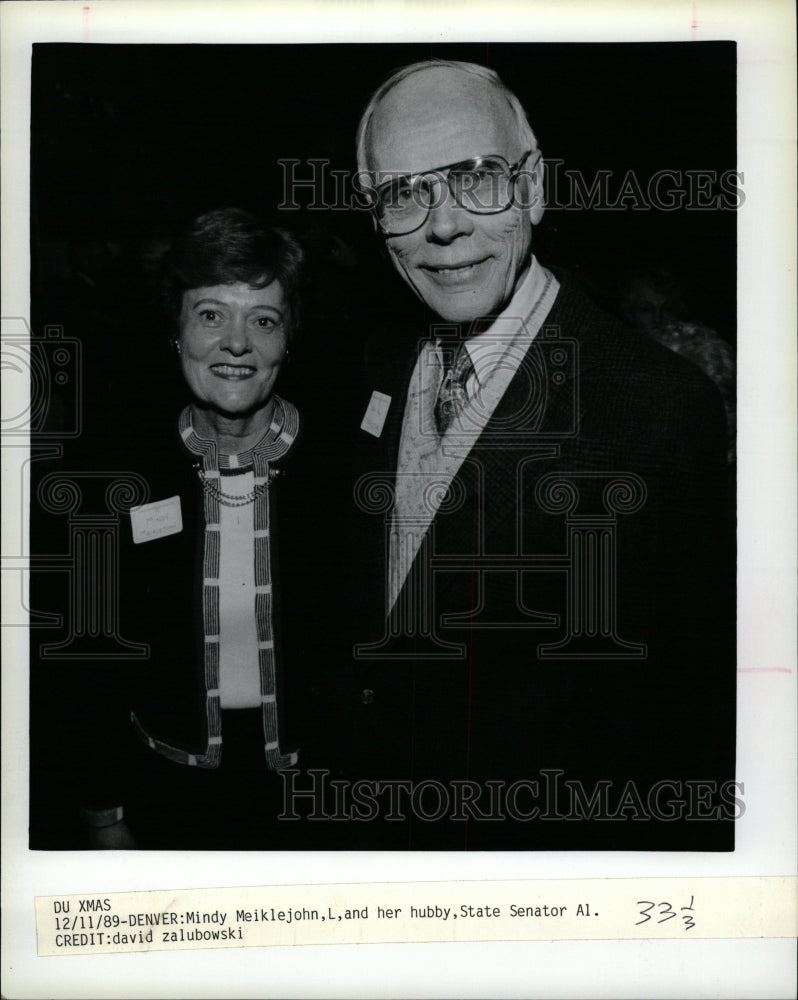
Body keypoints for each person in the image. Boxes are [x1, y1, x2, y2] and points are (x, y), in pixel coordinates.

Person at [317, 60, 735, 850]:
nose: (442, 227)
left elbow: (685, 726)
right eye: (404, 194)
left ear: (534, 187)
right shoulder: (376, 364)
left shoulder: (654, 407)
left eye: (476, 177)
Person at [70, 208, 325, 849]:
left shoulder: (344, 471)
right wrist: (104, 813)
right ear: (176, 329)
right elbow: (91, 661)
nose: (235, 343)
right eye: (210, 314)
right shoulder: (119, 475)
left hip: (315, 798)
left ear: (289, 338)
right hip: (168, 794)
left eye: (263, 320)